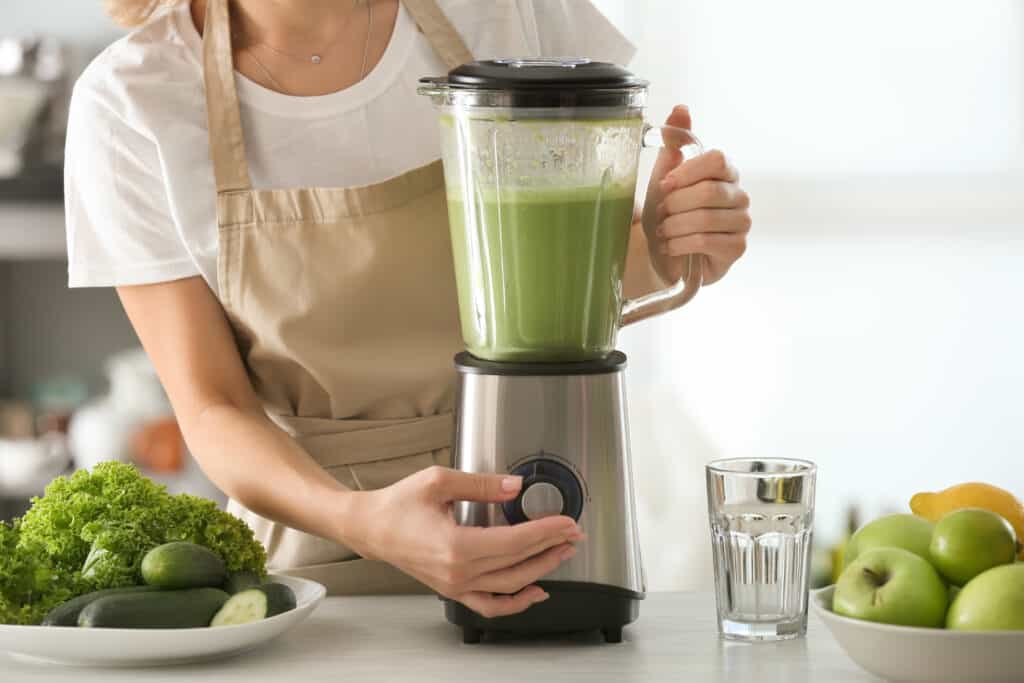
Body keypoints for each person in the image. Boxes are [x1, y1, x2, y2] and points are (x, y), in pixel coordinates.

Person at [65, 0, 751, 618]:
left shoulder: (509, 15)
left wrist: (669, 243)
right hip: (318, 574)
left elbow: (573, 274)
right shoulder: (132, 103)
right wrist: (361, 520)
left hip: (539, 522)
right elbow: (214, 407)